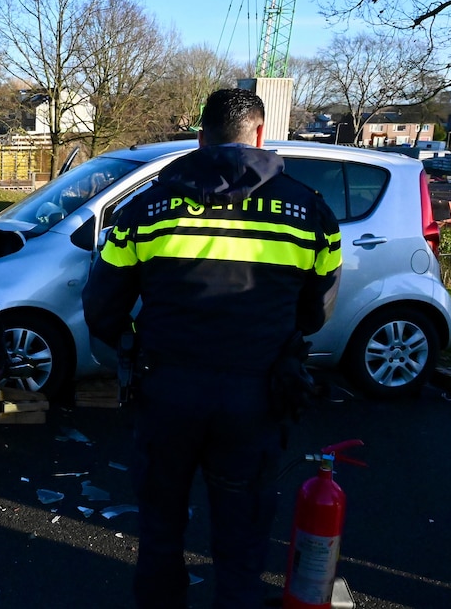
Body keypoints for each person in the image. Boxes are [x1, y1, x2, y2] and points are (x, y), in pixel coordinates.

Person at [82, 88, 342, 608]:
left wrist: (133, 345)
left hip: (167, 394)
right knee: (242, 540)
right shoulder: (309, 211)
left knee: (160, 532)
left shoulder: (144, 209)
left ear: (201, 138)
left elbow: (101, 307)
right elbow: (316, 314)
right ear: (261, 136)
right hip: (256, 397)